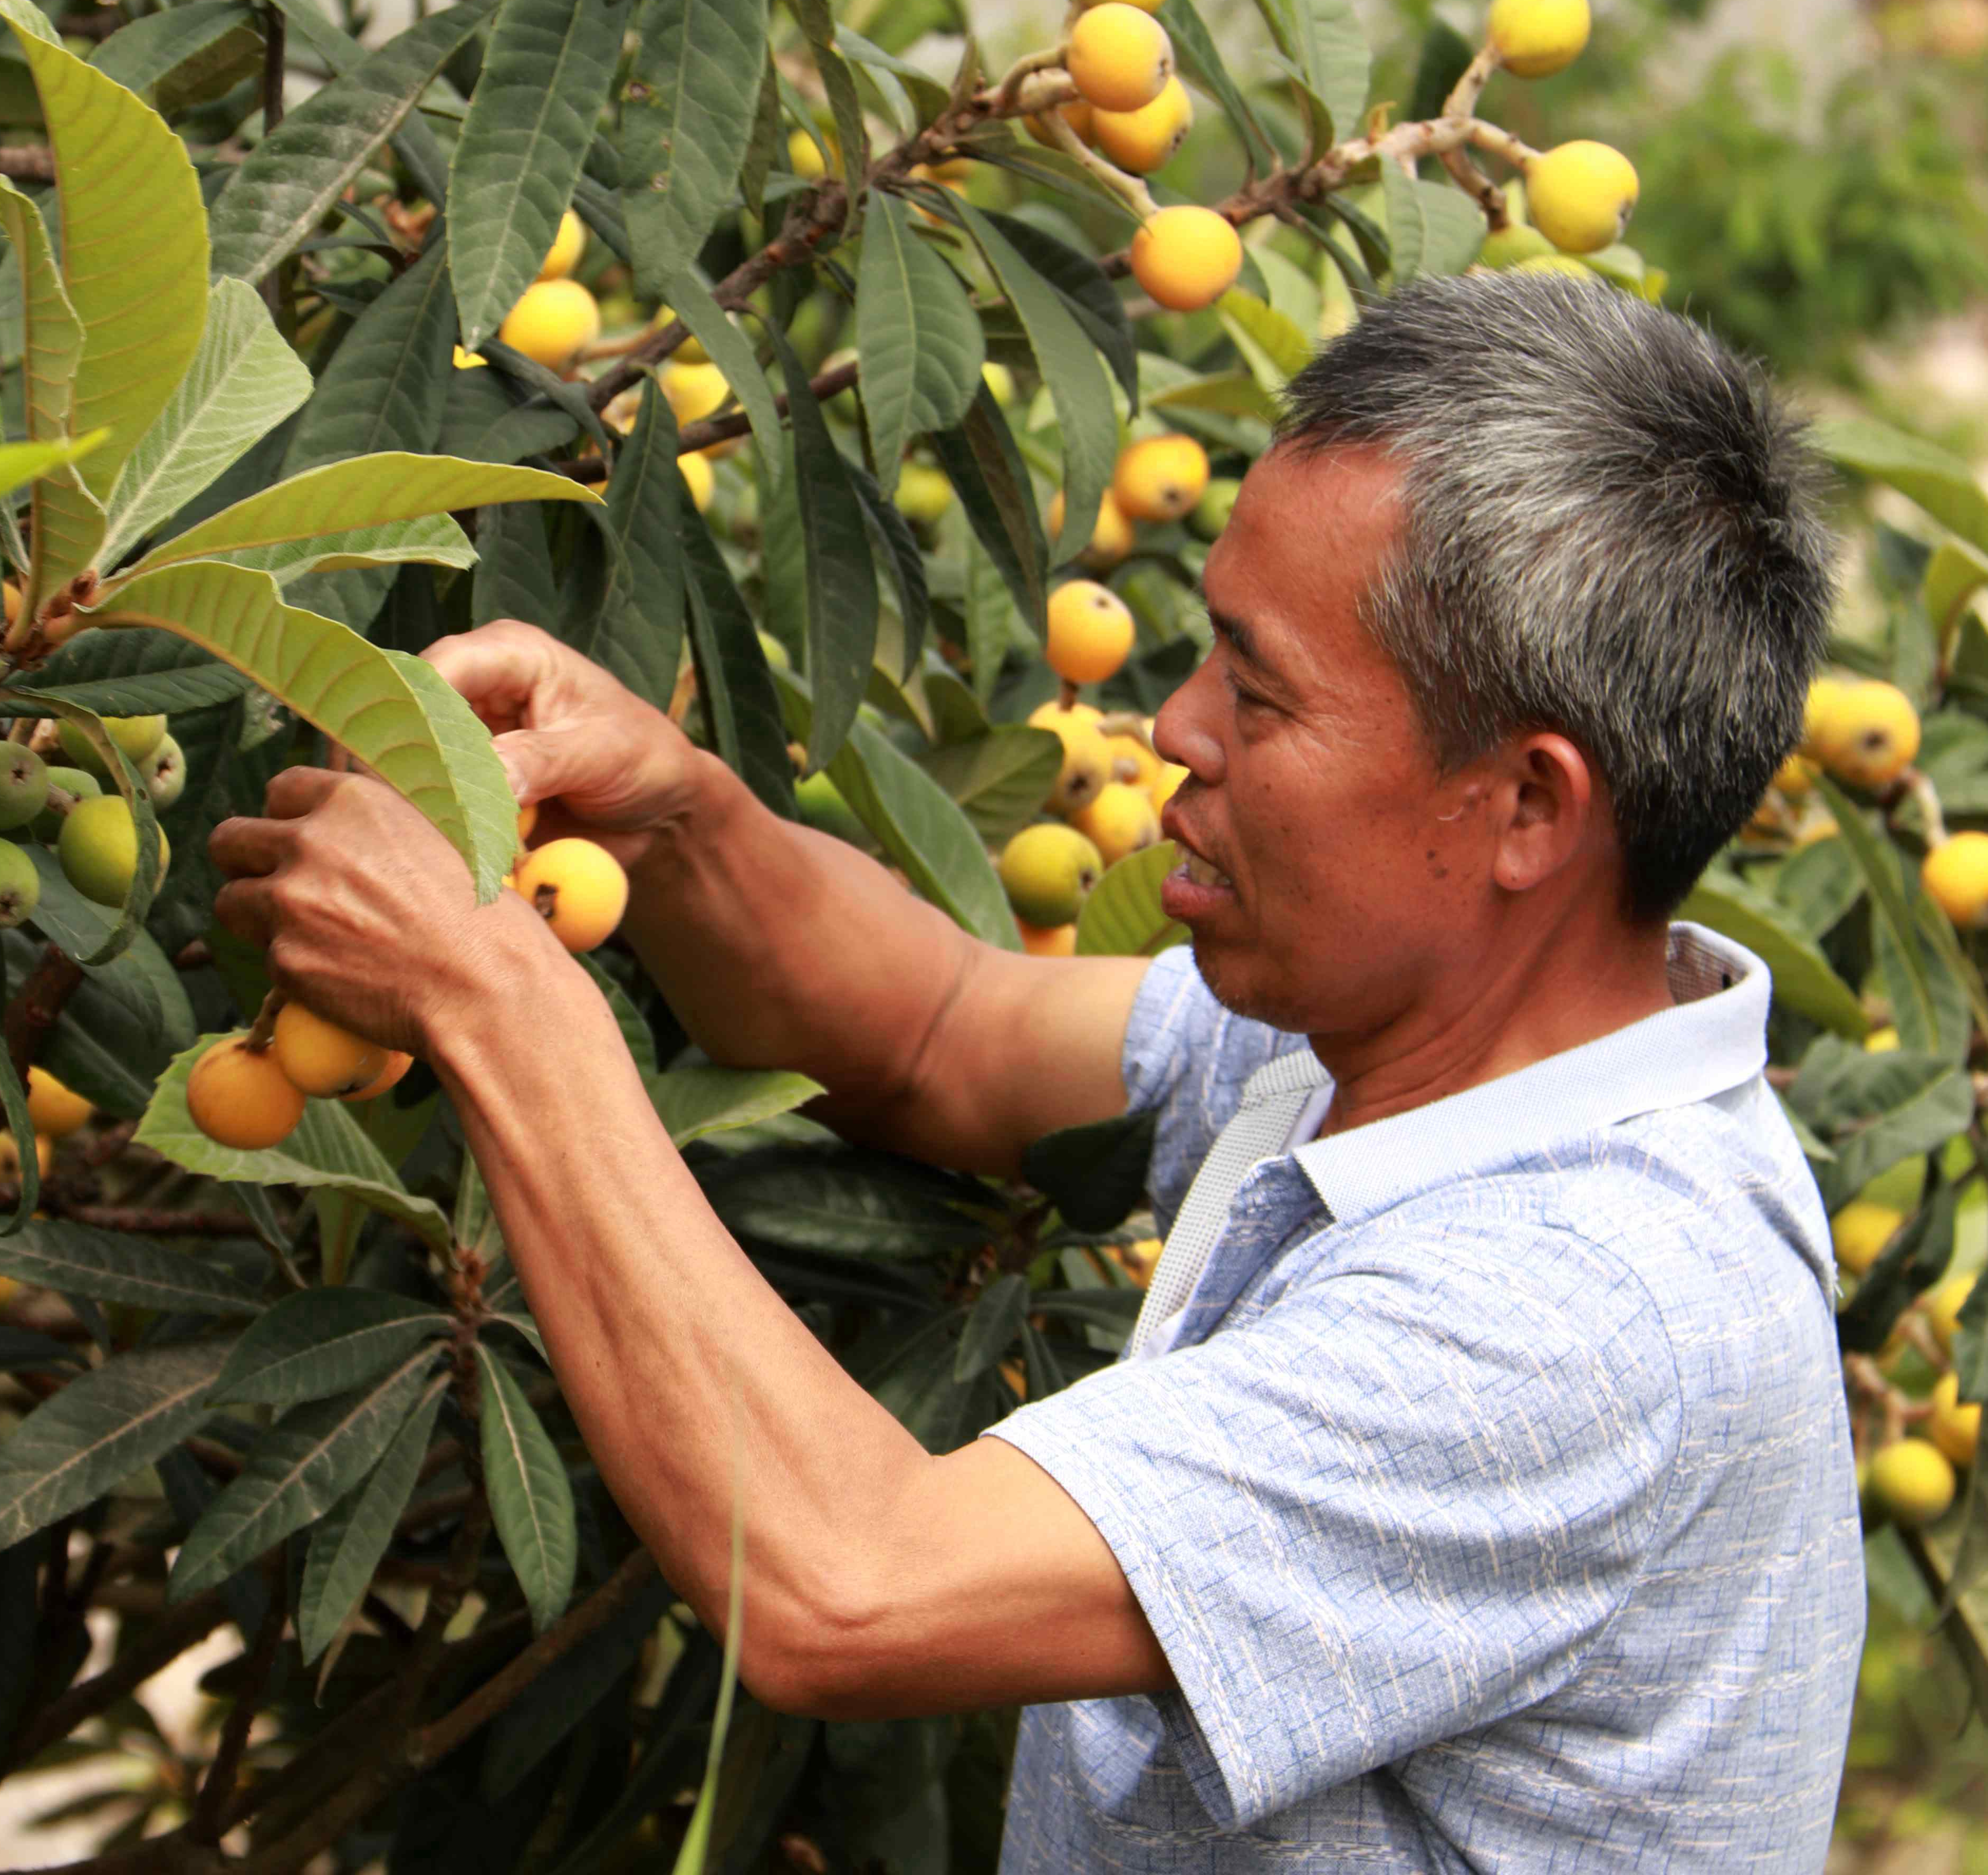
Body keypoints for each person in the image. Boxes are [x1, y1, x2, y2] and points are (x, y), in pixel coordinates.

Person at [206, 271, 1865, 1867]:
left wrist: (491, 995)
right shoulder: (1412, 1034)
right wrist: (681, 820)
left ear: (1524, 809)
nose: (1174, 728)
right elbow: (940, 1033)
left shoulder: (1578, 1317)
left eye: (1262, 695)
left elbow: (845, 1584)